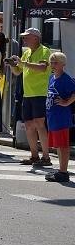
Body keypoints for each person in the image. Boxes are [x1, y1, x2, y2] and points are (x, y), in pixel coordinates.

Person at [8, 27, 52, 166]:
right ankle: (34, 155)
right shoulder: (27, 53)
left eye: (27, 37)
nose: (24, 39)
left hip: (40, 93)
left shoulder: (44, 50)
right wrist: (12, 65)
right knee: (28, 125)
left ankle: (46, 157)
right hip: (28, 94)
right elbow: (17, 72)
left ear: (36, 38)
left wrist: (22, 63)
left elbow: (42, 68)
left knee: (40, 124)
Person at [45, 52, 75, 182]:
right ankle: (61, 170)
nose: (53, 65)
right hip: (53, 116)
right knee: (58, 145)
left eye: (55, 62)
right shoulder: (52, 78)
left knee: (63, 145)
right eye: (51, 62)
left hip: (61, 117)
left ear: (62, 64)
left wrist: (67, 102)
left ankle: (63, 171)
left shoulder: (66, 79)